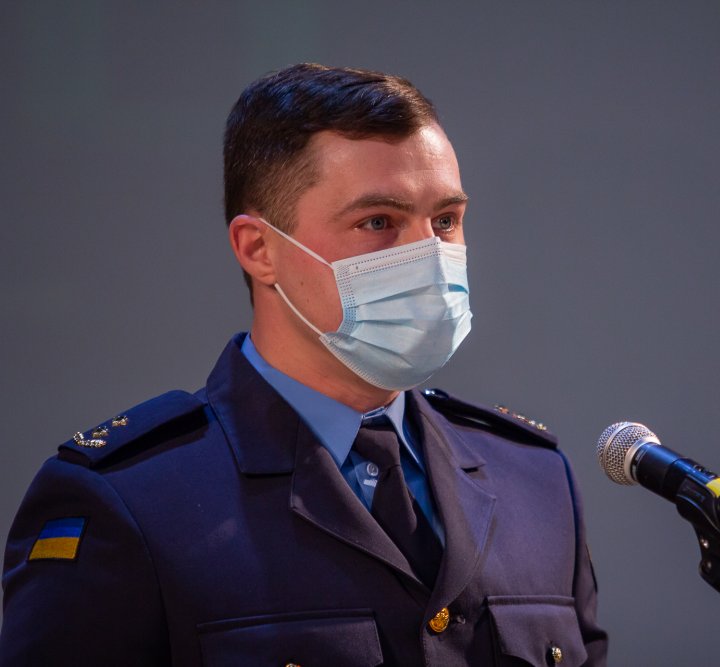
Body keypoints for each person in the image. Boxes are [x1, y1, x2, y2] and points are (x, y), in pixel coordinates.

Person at [0, 64, 607, 666]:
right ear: (259, 248)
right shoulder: (130, 501)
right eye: (378, 222)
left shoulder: (536, 482)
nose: (429, 255)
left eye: (445, 221)